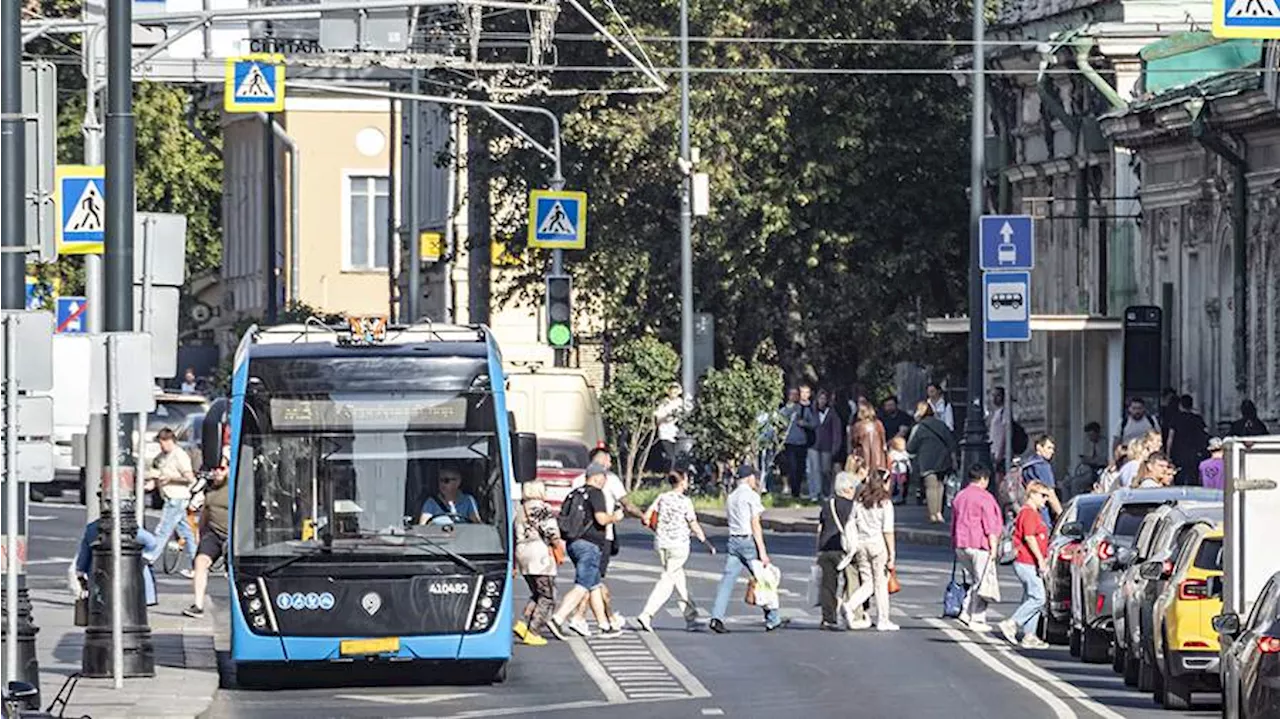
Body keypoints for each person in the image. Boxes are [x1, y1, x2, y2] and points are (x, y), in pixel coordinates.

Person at [569, 447, 642, 634]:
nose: (610, 465)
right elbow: (626, 504)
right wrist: (644, 517)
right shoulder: (610, 480)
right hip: (601, 535)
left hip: (577, 537)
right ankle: (579, 616)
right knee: (591, 579)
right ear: (600, 463)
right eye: (609, 461)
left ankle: (606, 619)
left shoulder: (578, 480)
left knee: (590, 578)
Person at [547, 463, 623, 640]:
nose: (605, 482)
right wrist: (615, 517)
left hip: (573, 543)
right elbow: (601, 519)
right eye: (604, 478)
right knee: (582, 586)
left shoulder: (574, 493)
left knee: (594, 585)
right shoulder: (596, 493)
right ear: (597, 477)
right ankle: (558, 619)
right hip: (590, 545)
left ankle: (604, 626)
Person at [634, 470, 714, 632]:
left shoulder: (662, 497)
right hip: (679, 545)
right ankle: (647, 613)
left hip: (661, 543)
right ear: (683, 481)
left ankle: (691, 617)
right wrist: (705, 541)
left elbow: (646, 517)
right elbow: (693, 523)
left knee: (678, 579)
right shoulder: (685, 501)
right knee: (668, 580)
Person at [710, 465, 784, 633]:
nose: (756, 481)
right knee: (764, 578)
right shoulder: (751, 496)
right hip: (748, 541)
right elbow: (755, 524)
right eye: (754, 478)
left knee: (727, 581)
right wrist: (762, 551)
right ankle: (773, 618)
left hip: (733, 541)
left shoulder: (731, 497)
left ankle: (716, 617)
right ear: (750, 478)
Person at [76, 498, 160, 608]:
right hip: (131, 581)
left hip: (100, 578)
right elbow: (152, 542)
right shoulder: (129, 527)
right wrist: (145, 556)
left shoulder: (93, 528)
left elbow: (84, 555)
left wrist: (80, 572)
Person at [998, 480, 1052, 649]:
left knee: (1031, 596)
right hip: (1026, 561)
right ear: (1033, 494)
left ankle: (1030, 635)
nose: (1046, 500)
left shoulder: (1033, 513)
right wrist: (1041, 560)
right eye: (1043, 496)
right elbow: (1029, 537)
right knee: (1039, 597)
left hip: (1030, 562)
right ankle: (1012, 623)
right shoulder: (1028, 513)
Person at [950, 465, 1002, 631]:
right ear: (984, 479)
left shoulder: (960, 496)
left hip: (961, 543)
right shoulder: (985, 498)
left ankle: (965, 612)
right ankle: (976, 618)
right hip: (979, 543)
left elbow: (954, 521)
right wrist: (994, 546)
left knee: (975, 580)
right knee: (982, 582)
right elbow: (990, 524)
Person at [846, 468, 898, 631]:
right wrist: (892, 554)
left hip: (861, 544)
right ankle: (883, 619)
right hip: (878, 544)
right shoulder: (885, 503)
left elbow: (852, 521)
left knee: (868, 581)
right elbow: (887, 530)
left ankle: (850, 605)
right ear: (884, 482)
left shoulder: (860, 500)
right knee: (880, 583)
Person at [143, 428, 197, 578]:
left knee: (163, 529)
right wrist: (148, 485)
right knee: (187, 533)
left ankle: (149, 557)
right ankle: (197, 564)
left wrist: (171, 479)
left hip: (177, 498)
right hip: (170, 496)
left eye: (162, 443)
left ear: (169, 440)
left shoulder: (180, 456)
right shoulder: (162, 457)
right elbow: (155, 477)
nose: (161, 447)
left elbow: (190, 477)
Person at [513, 480, 562, 646]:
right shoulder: (541, 507)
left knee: (536, 592)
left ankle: (523, 623)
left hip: (522, 552)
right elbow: (550, 529)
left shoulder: (519, 510)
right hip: (539, 553)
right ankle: (534, 630)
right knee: (548, 595)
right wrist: (557, 544)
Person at [184, 458, 229, 618]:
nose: (217, 472)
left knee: (234, 572)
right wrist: (200, 533)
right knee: (200, 562)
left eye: (222, 468)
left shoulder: (233, 486)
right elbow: (206, 511)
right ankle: (198, 605)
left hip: (232, 535)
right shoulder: (209, 487)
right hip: (213, 533)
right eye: (215, 468)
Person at [815, 471, 860, 631]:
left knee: (828, 585)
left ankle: (828, 618)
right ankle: (854, 612)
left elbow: (820, 527)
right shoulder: (852, 506)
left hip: (826, 547)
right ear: (847, 489)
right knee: (853, 580)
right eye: (853, 488)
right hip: (844, 549)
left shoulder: (828, 504)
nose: (855, 491)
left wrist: (817, 549)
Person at [906, 401, 956, 523]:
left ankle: (933, 514)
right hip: (943, 459)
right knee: (940, 485)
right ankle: (939, 513)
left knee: (931, 487)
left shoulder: (919, 427)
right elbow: (950, 441)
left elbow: (910, 447)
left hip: (927, 461)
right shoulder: (941, 424)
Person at [806, 389, 845, 500]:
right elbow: (810, 425)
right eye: (820, 399)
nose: (821, 401)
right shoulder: (812, 412)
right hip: (814, 445)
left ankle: (826, 492)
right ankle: (815, 493)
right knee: (814, 470)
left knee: (825, 471)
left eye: (824, 399)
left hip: (827, 446)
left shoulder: (832, 414)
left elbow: (837, 432)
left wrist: (835, 446)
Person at [1167, 394, 1209, 486]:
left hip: (1178, 453)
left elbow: (1171, 438)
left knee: (1178, 477)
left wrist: (1168, 454)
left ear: (1180, 405)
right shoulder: (1198, 419)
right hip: (1195, 453)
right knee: (1194, 477)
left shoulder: (1175, 418)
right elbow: (1205, 434)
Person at [1019, 434, 1061, 525]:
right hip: (1042, 512)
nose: (1052, 452)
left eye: (1053, 448)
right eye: (1049, 448)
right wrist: (1061, 514)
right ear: (1039, 447)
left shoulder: (1027, 464)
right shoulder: (1042, 466)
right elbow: (1050, 493)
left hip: (1028, 508)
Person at [781, 387, 813, 499]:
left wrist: (804, 423)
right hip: (789, 442)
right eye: (791, 394)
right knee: (792, 467)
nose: (793, 397)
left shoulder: (804, 409)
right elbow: (780, 422)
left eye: (796, 394)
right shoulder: (785, 409)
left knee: (800, 467)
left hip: (801, 442)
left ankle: (797, 490)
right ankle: (793, 490)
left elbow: (812, 423)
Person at [848, 399, 888, 479]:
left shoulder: (858, 426)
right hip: (879, 459)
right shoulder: (878, 424)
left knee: (863, 481)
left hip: (863, 459)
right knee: (877, 481)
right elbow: (883, 442)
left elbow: (854, 442)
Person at [654, 383, 686, 472]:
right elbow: (658, 419)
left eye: (676, 390)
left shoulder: (681, 402)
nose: (674, 392)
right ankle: (670, 476)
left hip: (677, 434)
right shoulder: (663, 403)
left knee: (678, 457)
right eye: (672, 390)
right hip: (665, 433)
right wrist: (666, 417)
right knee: (670, 456)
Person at [988, 387, 1009, 474]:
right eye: (993, 395)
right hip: (993, 451)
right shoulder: (995, 413)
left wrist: (1001, 452)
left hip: (1001, 454)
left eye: (998, 395)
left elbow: (1005, 432)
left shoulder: (1005, 412)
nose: (995, 398)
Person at [887, 436, 911, 503]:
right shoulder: (895, 453)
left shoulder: (901, 453)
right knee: (897, 484)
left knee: (898, 484)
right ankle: (897, 497)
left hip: (898, 471)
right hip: (898, 471)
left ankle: (898, 497)